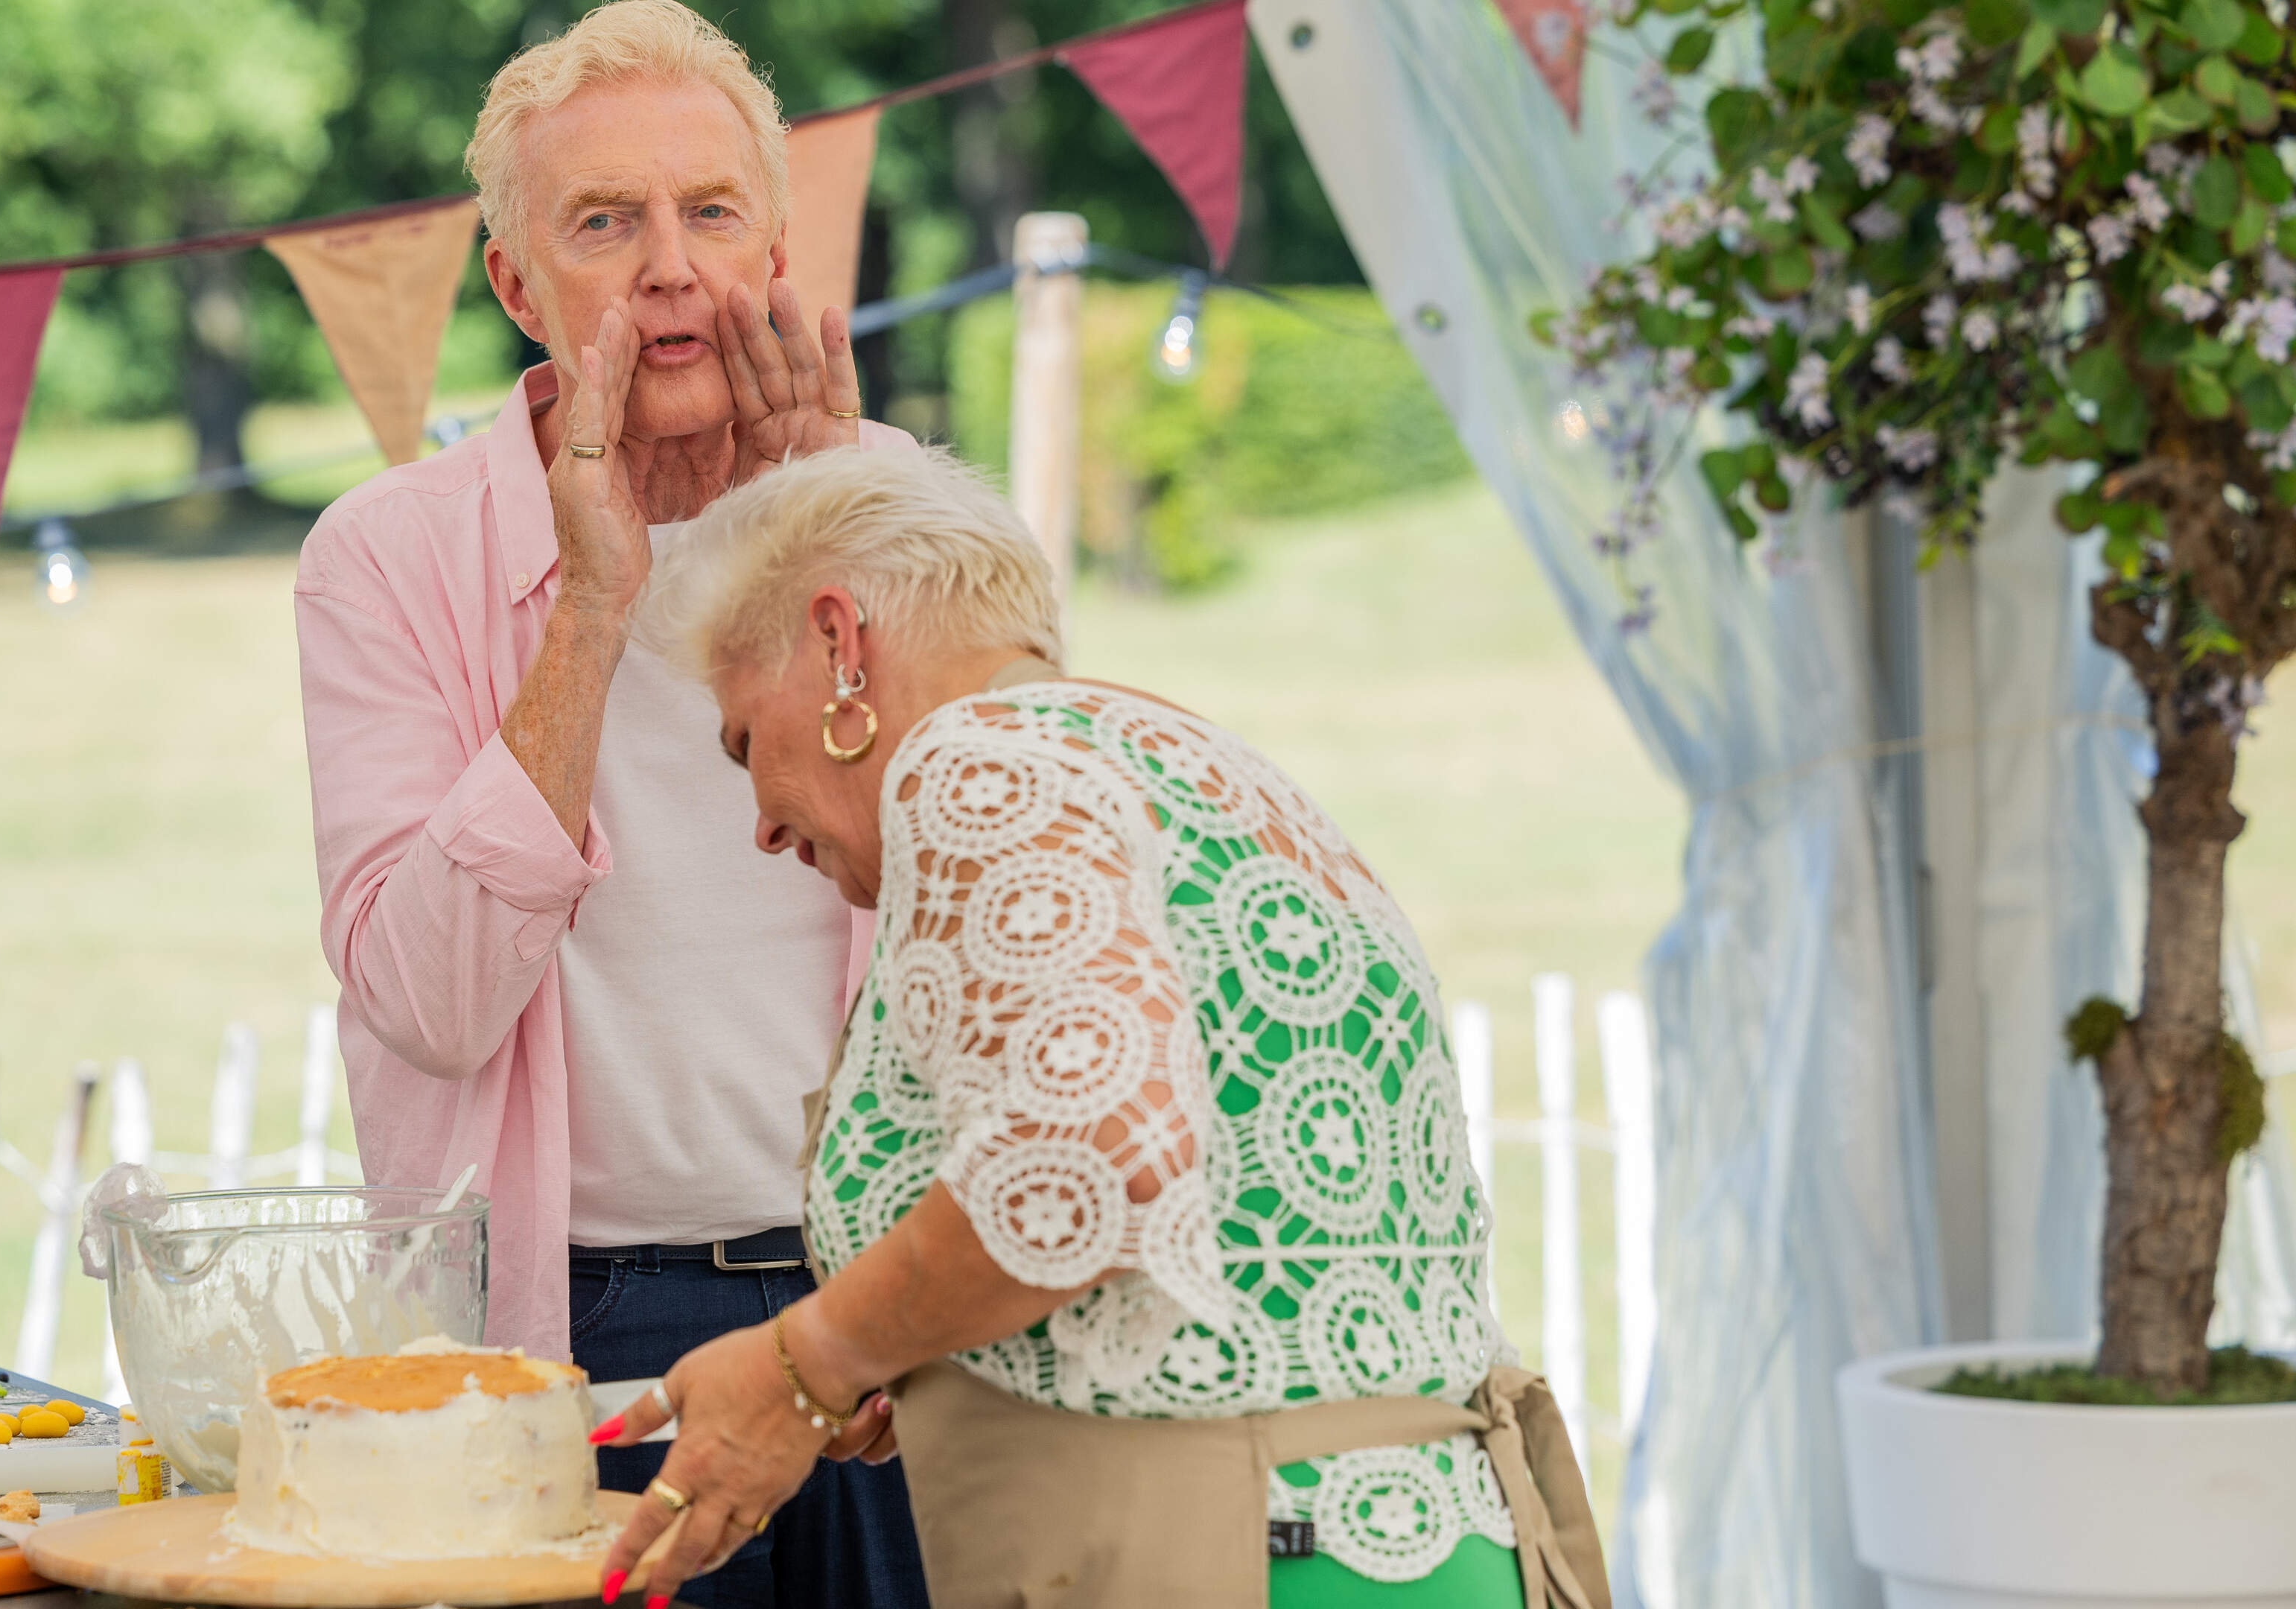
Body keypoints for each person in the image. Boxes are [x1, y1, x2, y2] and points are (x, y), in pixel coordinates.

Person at [590, 447, 1612, 1609]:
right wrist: (939, 1348)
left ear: (839, 646)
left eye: (742, 743)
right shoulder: (1198, 767)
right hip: (1411, 1547)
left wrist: (803, 1366)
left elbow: (1090, 1156)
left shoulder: (977, 764)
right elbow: (1223, 1221)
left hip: (1239, 1558)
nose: (763, 825)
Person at [290, 4, 924, 1605]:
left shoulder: (902, 497)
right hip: (574, 1329)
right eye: (604, 223)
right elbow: (431, 1005)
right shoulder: (387, 555)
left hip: (894, 1309)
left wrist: (834, 542)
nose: (670, 268)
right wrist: (590, 605)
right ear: (517, 286)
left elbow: (1013, 906)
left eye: (711, 212)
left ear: (778, 248)